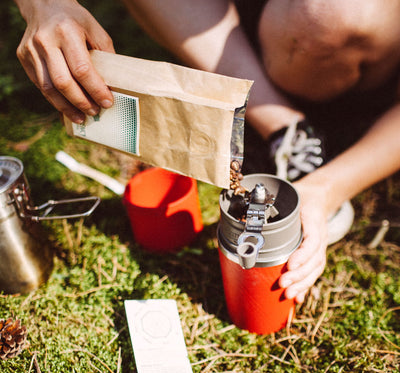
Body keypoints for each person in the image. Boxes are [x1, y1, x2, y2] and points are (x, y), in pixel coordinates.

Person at [13, 0, 400, 303]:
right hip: (233, 23)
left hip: (350, 44)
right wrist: (45, 5)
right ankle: (284, 126)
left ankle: (308, 114)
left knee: (327, 13)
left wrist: (326, 188)